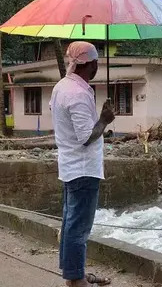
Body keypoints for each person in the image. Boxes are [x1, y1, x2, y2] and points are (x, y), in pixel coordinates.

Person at [50, 42, 115, 287]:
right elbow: (86, 137)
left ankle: (73, 273)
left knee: (70, 223)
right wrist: (104, 120)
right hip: (83, 168)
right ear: (90, 64)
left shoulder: (62, 87)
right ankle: (76, 279)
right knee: (79, 227)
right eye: (97, 62)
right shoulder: (77, 93)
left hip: (70, 166)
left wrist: (98, 121)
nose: (98, 66)